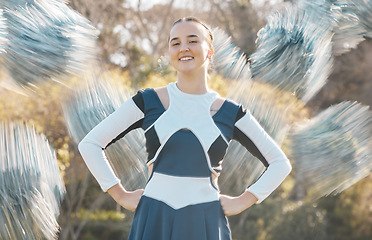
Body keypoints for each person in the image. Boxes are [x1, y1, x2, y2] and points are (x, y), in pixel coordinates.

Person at [78, 16, 292, 240]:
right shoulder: (148, 101)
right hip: (153, 218)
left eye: (192, 40)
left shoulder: (230, 113)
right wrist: (119, 195)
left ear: (209, 52)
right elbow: (91, 144)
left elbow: (280, 164)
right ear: (170, 53)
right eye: (175, 42)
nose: (183, 48)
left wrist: (244, 200)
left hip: (206, 221)